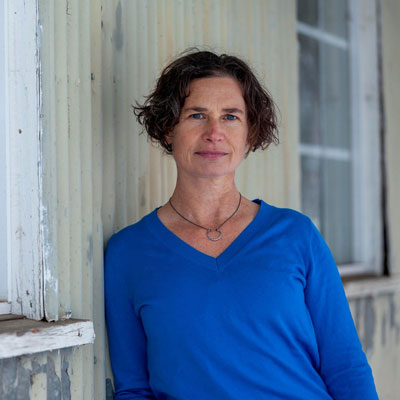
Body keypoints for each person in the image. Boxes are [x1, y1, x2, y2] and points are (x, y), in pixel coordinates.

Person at [104, 50, 378, 399]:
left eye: (231, 116)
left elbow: (345, 366)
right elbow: (134, 388)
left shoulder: (296, 236)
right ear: (167, 128)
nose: (214, 132)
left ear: (250, 134)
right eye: (197, 114)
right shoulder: (129, 252)